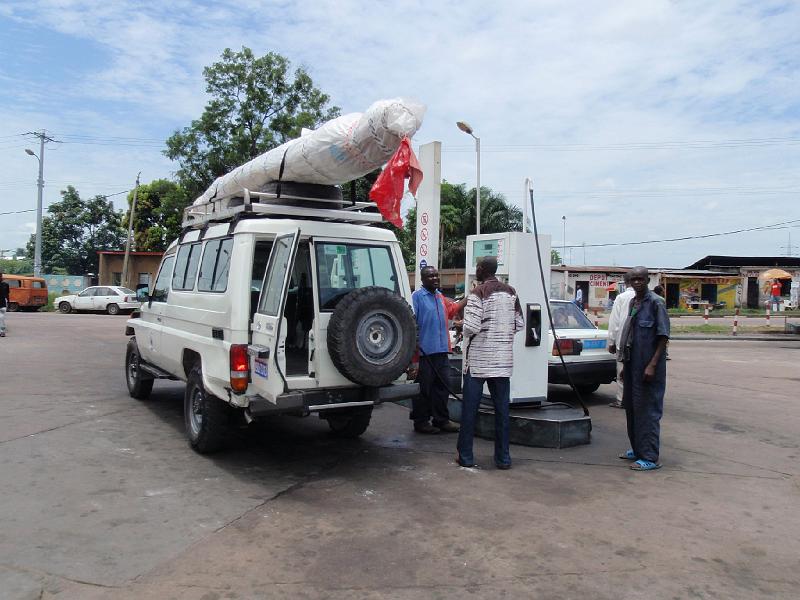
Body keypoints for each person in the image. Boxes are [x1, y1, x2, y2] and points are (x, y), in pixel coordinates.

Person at [456, 257, 523, 469]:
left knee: (470, 411)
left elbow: (472, 327)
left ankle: (466, 457)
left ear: (482, 270)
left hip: (478, 363)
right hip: (502, 363)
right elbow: (519, 323)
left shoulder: (478, 293)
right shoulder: (511, 292)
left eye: (477, 267)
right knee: (502, 412)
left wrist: (460, 325)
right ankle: (503, 459)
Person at [617, 266, 670, 471]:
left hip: (649, 367)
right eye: (634, 279)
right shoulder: (632, 302)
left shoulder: (656, 303)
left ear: (647, 280)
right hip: (632, 365)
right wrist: (624, 366)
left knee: (648, 411)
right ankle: (637, 448)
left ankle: (649, 456)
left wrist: (653, 364)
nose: (637, 282)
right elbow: (630, 335)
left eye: (641, 279)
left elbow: (663, 336)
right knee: (631, 408)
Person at [410, 266, 462, 434]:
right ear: (423, 280)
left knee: (442, 387)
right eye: (430, 276)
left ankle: (441, 420)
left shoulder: (440, 297)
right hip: (425, 352)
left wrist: (472, 296)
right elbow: (411, 323)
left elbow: (453, 309)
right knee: (423, 388)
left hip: (441, 351)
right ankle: (421, 421)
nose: (434, 278)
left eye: (436, 275)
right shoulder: (417, 297)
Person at [607, 274, 635, 408]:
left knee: (622, 374)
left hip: (622, 342)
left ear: (625, 283)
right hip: (639, 343)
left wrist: (611, 342)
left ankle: (622, 400)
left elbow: (614, 323)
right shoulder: (648, 298)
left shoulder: (621, 298)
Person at [0, 269, 9, 337]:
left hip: (3, 303)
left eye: (1, 276)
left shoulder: (5, 284)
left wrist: (7, 301)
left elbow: (7, 294)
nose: (1, 277)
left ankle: (2, 331)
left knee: (2, 317)